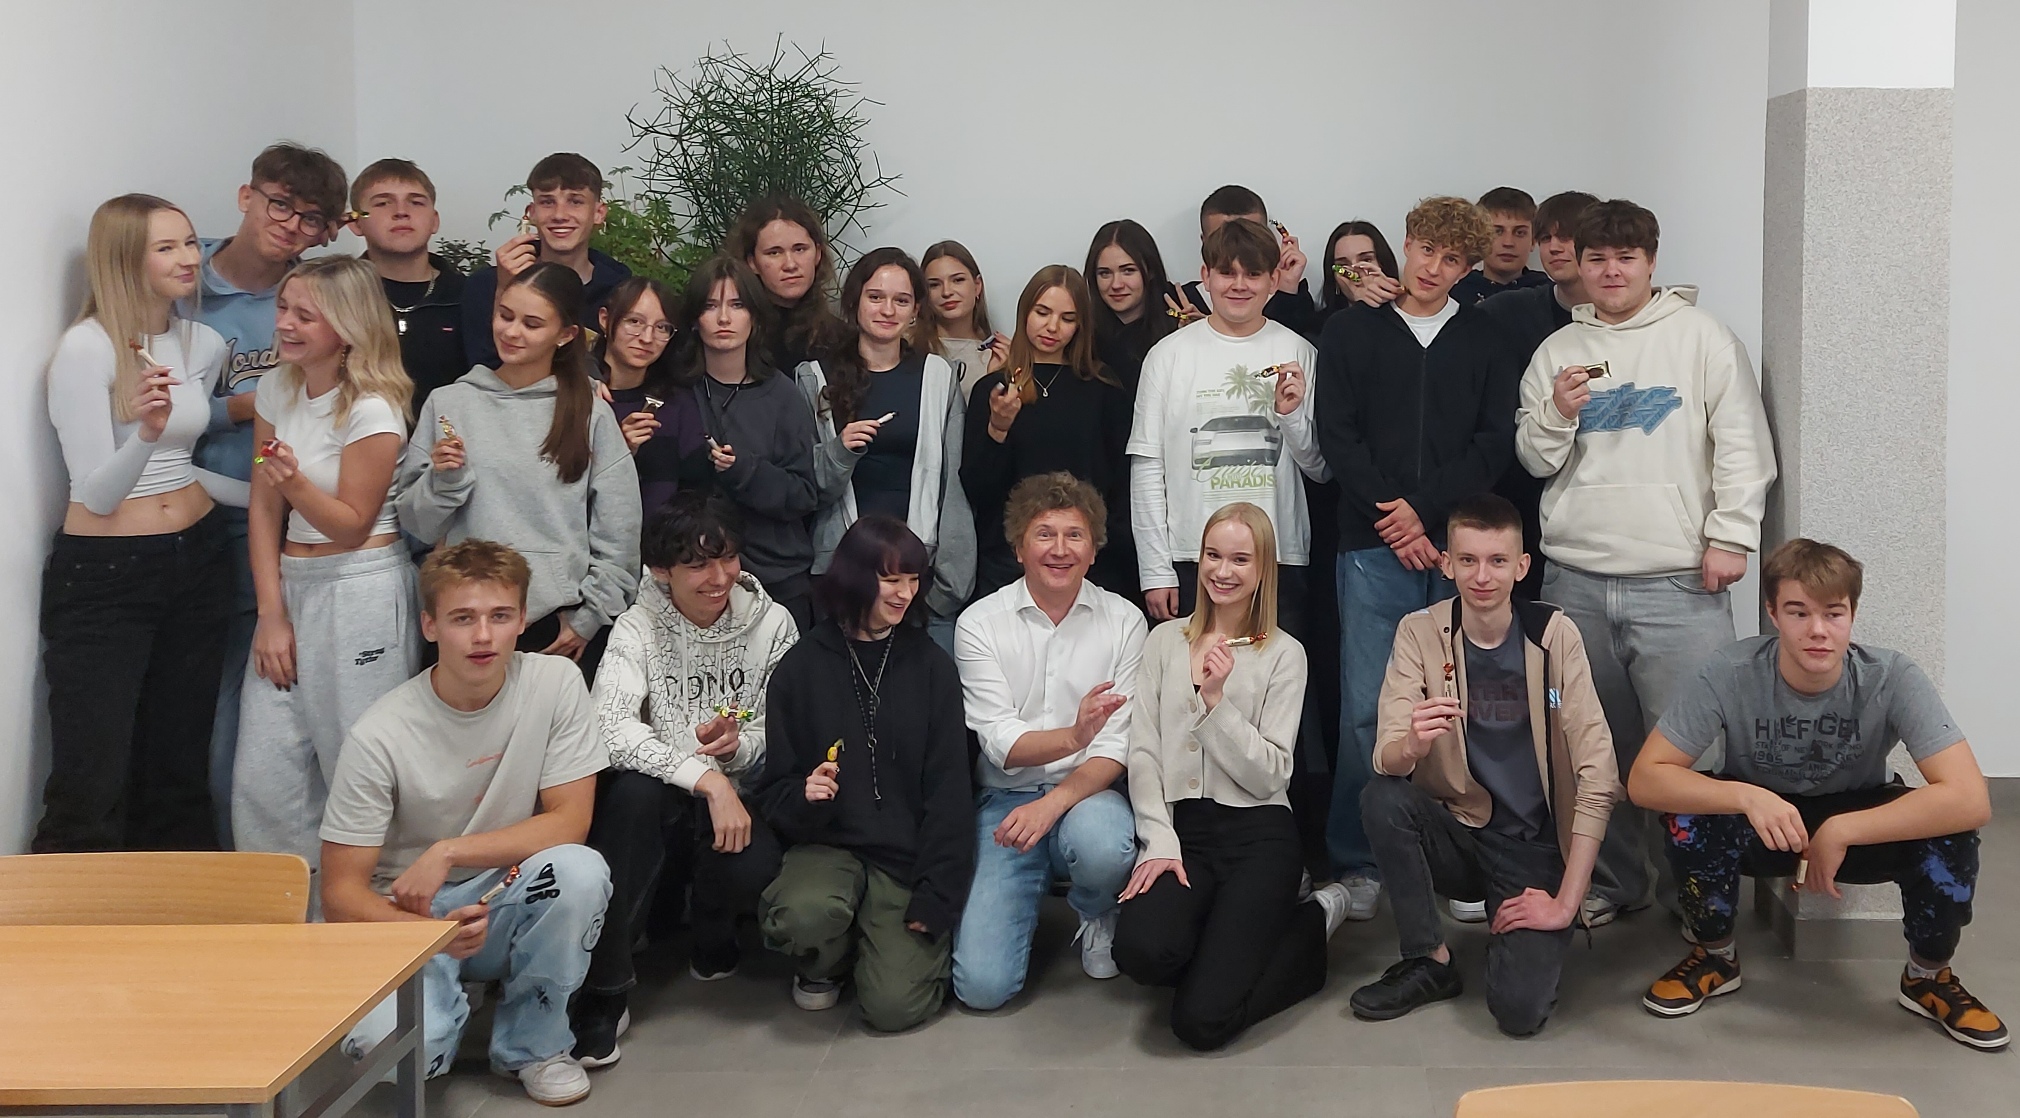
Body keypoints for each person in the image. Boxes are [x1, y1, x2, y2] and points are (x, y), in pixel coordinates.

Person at [1629, 539, 2005, 1051]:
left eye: (1833, 613)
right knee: (1686, 819)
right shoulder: (1730, 671)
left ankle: (1927, 977)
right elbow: (1646, 779)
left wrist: (1843, 828)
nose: (1818, 630)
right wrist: (1746, 798)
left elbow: (1970, 798)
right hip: (1763, 817)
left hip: (1856, 813)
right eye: (1798, 612)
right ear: (1772, 614)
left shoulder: (1892, 676)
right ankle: (1715, 956)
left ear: (1852, 615)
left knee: (1951, 833)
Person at [1516, 199, 1776, 925]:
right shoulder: (1556, 352)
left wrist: (1732, 536)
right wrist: (1558, 414)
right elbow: (1533, 459)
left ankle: (1700, 897)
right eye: (1597, 259)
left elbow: (1744, 446)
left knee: (1694, 750)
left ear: (1651, 262)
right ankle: (1613, 882)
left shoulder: (1703, 338)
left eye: (1625, 258)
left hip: (1679, 581)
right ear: (1577, 264)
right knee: (1593, 748)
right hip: (1576, 580)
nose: (1611, 272)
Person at [321, 540, 612, 1105]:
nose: (483, 636)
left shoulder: (555, 683)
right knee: (408, 1061)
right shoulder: (379, 734)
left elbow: (570, 822)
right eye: (462, 619)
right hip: (405, 914)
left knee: (580, 870)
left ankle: (535, 1046)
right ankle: (440, 1004)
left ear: (522, 620)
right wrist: (431, 934)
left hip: (502, 894)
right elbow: (339, 894)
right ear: (429, 625)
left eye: (500, 616)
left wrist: (448, 851)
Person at [1315, 196, 1520, 920]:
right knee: (1369, 710)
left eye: (1452, 259)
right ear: (1405, 244)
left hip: (1458, 553)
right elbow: (1338, 436)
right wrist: (1396, 520)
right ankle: (1359, 860)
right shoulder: (1351, 330)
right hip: (1372, 548)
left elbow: (1493, 442)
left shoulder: (1485, 337)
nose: (1434, 268)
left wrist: (1425, 514)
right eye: (1426, 250)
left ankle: (1460, 860)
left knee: (1463, 709)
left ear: (1468, 269)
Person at [1348, 495, 1619, 1035]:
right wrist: (1412, 745)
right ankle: (1429, 959)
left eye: (1497, 561)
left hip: (1533, 847)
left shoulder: (1554, 635)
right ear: (1446, 563)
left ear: (1522, 566)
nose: (1482, 576)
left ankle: (1519, 932)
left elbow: (1599, 774)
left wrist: (1567, 903)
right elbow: (1386, 758)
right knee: (1383, 797)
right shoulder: (1419, 631)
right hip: (1461, 830)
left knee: (1519, 1012)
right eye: (1468, 560)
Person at [36, 194, 241, 852]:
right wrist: (147, 433)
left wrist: (275, 495)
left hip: (200, 559)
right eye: (167, 247)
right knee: (91, 777)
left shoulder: (201, 343)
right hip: (108, 577)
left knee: (178, 764)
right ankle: (66, 914)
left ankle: (176, 910)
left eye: (191, 242)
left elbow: (182, 473)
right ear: (125, 259)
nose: (190, 258)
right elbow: (98, 495)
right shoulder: (87, 348)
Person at [1112, 502, 1352, 1050]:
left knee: (1201, 1022)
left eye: (1240, 559)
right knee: (1142, 953)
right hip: (1186, 835)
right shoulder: (1164, 641)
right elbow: (1144, 750)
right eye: (1213, 555)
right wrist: (1157, 840)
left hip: (1258, 835)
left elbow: (1271, 775)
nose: (1223, 571)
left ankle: (1312, 922)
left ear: (1264, 568)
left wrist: (1216, 703)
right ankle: (1225, 945)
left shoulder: (1285, 654)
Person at [574, 491, 798, 1066]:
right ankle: (605, 990)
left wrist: (740, 748)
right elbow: (610, 728)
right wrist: (705, 779)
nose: (718, 578)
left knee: (755, 863)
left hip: (743, 795)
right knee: (632, 799)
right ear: (660, 570)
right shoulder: (636, 627)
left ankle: (712, 927)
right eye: (697, 564)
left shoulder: (774, 622)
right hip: (667, 794)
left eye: (727, 558)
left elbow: (787, 732)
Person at [231, 257, 418, 896]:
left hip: (361, 588)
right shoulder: (277, 390)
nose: (285, 324)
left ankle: (366, 916)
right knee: (265, 773)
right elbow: (262, 507)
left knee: (356, 765)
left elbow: (350, 526)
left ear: (347, 327)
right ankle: (281, 920)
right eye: (283, 307)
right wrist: (271, 613)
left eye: (304, 315)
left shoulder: (373, 409)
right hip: (292, 584)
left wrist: (294, 483)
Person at [753, 516, 975, 1032]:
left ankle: (876, 945)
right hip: (827, 846)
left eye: (913, 579)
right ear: (854, 577)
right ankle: (826, 960)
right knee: (805, 915)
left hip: (904, 856)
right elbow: (774, 790)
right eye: (891, 579)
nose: (906, 593)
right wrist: (804, 795)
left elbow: (951, 794)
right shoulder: (800, 668)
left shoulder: (932, 667)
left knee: (895, 1008)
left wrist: (936, 895)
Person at [195, 141, 348, 846]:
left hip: (283, 524)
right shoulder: (184, 281)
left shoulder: (313, 296)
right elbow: (143, 408)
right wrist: (252, 405)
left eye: (310, 217)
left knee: (258, 707)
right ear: (246, 196)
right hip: (190, 516)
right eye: (280, 204)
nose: (289, 224)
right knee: (194, 709)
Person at [950, 473, 1145, 1010]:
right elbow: (1002, 744)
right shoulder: (979, 623)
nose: (1060, 549)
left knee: (1105, 846)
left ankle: (1095, 907)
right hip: (1005, 799)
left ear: (1093, 550)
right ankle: (1023, 891)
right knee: (982, 989)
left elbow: (1115, 748)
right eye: (1044, 534)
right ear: (1019, 548)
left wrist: (1053, 803)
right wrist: (1075, 734)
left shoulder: (1125, 621)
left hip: (1089, 794)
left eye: (1074, 535)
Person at [396, 263, 642, 676]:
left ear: (566, 335)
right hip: (465, 619)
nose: (511, 332)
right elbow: (417, 526)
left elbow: (620, 534)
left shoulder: (590, 412)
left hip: (555, 628)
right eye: (505, 315)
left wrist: (586, 620)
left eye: (531, 323)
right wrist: (443, 482)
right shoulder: (449, 403)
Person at [1130, 217, 1323, 626]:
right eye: (1226, 273)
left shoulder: (1300, 352)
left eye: (1252, 274)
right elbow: (1147, 468)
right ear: (1205, 276)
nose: (1239, 285)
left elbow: (1320, 469)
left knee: (1277, 668)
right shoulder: (1166, 356)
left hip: (1278, 557)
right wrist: (1155, 569)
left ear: (1274, 280)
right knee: (1192, 668)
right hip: (1190, 557)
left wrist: (1290, 417)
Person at [798, 247, 975, 652]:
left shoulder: (937, 376)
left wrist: (950, 582)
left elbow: (954, 485)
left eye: (902, 300)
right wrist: (840, 451)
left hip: (920, 579)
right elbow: (806, 489)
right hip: (840, 579)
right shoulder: (815, 377)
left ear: (916, 310)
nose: (888, 310)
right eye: (876, 297)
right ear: (854, 301)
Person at [961, 266, 1132, 601]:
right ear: (1025, 312)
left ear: (1081, 325)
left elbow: (1120, 488)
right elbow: (976, 491)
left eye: (1067, 318)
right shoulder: (993, 390)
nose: (1053, 327)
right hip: (1007, 566)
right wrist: (998, 428)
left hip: (1087, 566)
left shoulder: (1105, 391)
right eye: (1042, 313)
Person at [677, 255, 820, 631]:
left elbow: (805, 494)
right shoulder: (677, 391)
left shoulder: (782, 394)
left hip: (776, 580)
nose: (724, 318)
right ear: (694, 319)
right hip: (694, 581)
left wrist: (745, 470)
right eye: (711, 306)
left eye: (737, 305)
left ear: (754, 317)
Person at [1477, 190, 1599, 602]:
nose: (1554, 248)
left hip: (1591, 504)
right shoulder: (1503, 311)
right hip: (1515, 494)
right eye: (1546, 238)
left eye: (1567, 237)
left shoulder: (1630, 323)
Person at [461, 153, 631, 370]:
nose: (560, 215)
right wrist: (505, 290)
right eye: (547, 202)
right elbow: (483, 371)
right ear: (532, 213)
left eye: (575, 201)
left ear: (598, 213)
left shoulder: (620, 290)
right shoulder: (485, 284)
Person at [345, 158, 468, 406]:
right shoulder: (336, 296)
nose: (401, 212)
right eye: (383, 203)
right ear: (356, 222)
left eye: (416, 202)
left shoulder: (468, 296)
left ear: (434, 221)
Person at [597, 276, 709, 519]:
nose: (647, 338)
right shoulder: (579, 394)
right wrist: (618, 450)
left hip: (664, 538)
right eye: (634, 322)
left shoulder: (677, 403)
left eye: (662, 327)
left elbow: (697, 493)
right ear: (605, 320)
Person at [1172, 185, 1318, 338]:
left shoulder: (1295, 299)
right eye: (1221, 237)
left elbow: (1292, 343)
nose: (1236, 246)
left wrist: (1286, 291)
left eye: (1249, 236)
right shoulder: (1181, 300)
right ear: (1204, 241)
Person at [724, 194, 844, 373]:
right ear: (752, 262)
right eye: (774, 253)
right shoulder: (731, 334)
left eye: (800, 249)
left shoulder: (842, 339)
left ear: (818, 254)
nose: (790, 265)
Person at [1083, 219, 1181, 392]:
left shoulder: (1179, 323)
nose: (1116, 284)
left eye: (1128, 271)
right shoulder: (1083, 338)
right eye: (1105, 273)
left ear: (1150, 271)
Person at [919, 240, 1003, 402]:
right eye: (934, 285)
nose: (947, 292)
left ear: (977, 286)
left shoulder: (997, 357)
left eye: (957, 280)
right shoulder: (905, 346)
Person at [1451, 187, 1550, 305]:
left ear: (1533, 241)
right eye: (1497, 231)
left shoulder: (1550, 296)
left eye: (1520, 233)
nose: (1508, 243)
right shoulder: (1456, 297)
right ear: (1479, 238)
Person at [1314, 220, 1399, 330]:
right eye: (1343, 265)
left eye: (1366, 260)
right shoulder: (1326, 326)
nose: (1355, 271)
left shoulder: (1403, 314)